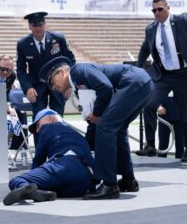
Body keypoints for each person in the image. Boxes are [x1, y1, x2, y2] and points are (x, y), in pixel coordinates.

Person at [38, 56, 154, 199]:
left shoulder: (78, 71)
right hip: (142, 83)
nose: (53, 88)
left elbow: (105, 87)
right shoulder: (77, 86)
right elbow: (94, 114)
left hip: (133, 82)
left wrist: (97, 115)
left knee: (105, 127)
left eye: (51, 82)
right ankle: (128, 180)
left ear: (61, 73)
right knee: (117, 128)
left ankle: (109, 185)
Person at [135, 0, 187, 162]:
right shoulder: (151, 29)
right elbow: (145, 48)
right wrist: (138, 69)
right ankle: (151, 146)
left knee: (183, 115)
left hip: (184, 75)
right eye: (154, 10)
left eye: (160, 9)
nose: (157, 13)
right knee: (149, 104)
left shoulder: (182, 20)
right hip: (163, 75)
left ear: (168, 8)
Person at [3, 109, 95, 205]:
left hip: (65, 166)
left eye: (38, 125)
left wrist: (32, 175)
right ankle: (38, 192)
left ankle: (27, 189)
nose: (38, 131)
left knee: (17, 180)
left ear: (50, 118)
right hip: (84, 181)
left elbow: (39, 159)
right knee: (50, 187)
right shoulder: (78, 135)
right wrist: (92, 187)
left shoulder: (48, 127)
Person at [16, 11, 76, 145]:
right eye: (34, 25)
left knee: (58, 120)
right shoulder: (22, 44)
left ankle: (58, 151)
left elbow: (71, 61)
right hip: (37, 88)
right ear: (30, 27)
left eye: (40, 24)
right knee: (39, 122)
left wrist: (68, 83)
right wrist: (28, 88)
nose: (38, 28)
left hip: (59, 86)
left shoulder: (58, 38)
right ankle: (40, 155)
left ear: (45, 25)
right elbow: (20, 70)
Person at [0, 55, 28, 150]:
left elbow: (5, 94)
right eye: (2, 69)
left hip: (2, 102)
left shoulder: (13, 75)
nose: (5, 72)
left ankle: (18, 146)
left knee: (19, 113)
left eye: (8, 70)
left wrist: (9, 108)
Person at [156, 94, 184, 159]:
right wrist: (158, 106)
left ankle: (180, 162)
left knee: (180, 143)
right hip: (164, 113)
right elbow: (157, 93)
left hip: (180, 113)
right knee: (163, 143)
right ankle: (160, 162)